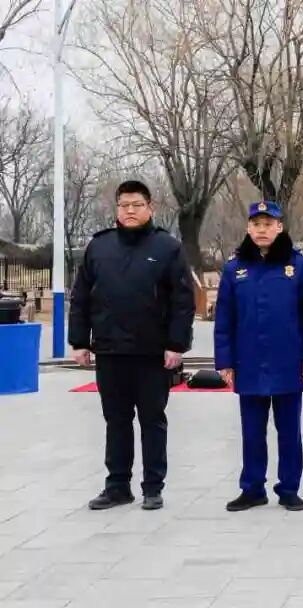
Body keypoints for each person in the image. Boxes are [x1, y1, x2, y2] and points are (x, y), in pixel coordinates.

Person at [69, 180, 195, 511]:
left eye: (137, 205)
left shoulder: (167, 247)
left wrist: (176, 344)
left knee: (152, 419)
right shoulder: (99, 247)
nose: (130, 210)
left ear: (150, 208)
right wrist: (79, 341)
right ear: (117, 209)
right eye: (124, 205)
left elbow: (183, 301)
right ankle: (117, 486)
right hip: (110, 350)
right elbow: (81, 297)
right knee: (116, 420)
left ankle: (153, 486)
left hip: (152, 352)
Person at [214, 201, 303, 512]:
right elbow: (224, 319)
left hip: (289, 361)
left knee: (289, 431)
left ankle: (289, 488)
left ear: (279, 227)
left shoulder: (299, 265)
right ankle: (252, 488)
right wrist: (225, 362)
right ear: (248, 228)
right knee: (252, 432)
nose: (262, 230)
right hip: (248, 362)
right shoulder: (235, 268)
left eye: (268, 224)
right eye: (256, 224)